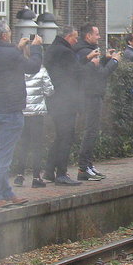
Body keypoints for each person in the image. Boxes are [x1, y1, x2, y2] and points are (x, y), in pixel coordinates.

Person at [0, 20, 42, 208]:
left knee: (1, 153)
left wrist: (16, 48)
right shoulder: (12, 53)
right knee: (4, 156)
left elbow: (5, 60)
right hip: (11, 110)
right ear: (5, 35)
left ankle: (7, 192)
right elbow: (33, 67)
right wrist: (37, 48)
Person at [74, 23, 117, 181]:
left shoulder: (87, 52)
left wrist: (105, 59)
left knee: (92, 130)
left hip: (92, 94)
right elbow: (100, 75)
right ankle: (83, 167)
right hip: (91, 95)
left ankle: (88, 165)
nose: (99, 37)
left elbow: (95, 71)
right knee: (91, 131)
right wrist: (115, 62)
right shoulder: (86, 52)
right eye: (97, 34)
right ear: (88, 36)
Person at [43, 24, 83, 185]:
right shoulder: (66, 52)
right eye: (75, 37)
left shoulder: (52, 49)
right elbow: (76, 75)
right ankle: (61, 173)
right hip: (65, 101)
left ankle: (49, 170)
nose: (76, 40)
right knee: (66, 136)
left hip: (54, 100)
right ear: (67, 37)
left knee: (60, 136)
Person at [15, 48, 53, 189]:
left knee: (23, 144)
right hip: (37, 114)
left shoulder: (19, 69)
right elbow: (49, 91)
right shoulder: (41, 70)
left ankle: (19, 176)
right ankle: (36, 177)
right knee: (37, 145)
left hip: (23, 112)